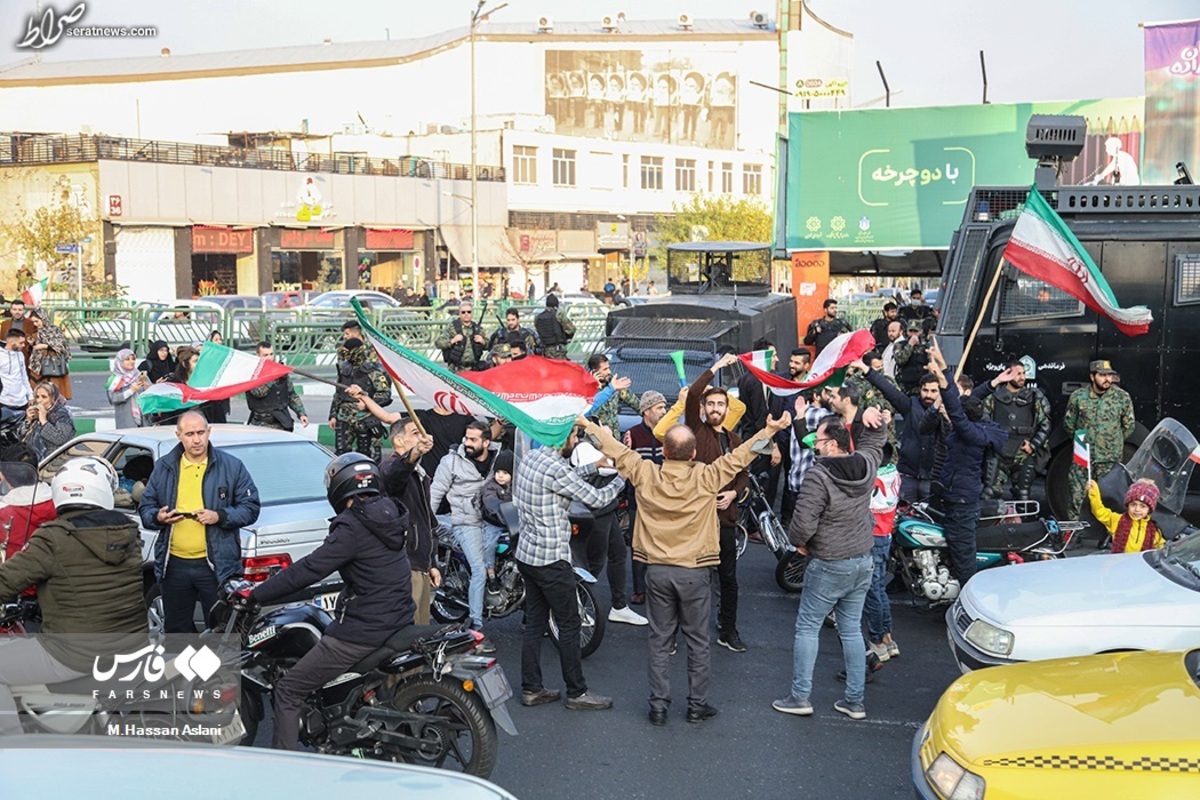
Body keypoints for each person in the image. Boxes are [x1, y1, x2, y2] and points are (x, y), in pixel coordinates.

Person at [585, 409, 791, 725]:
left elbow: (617, 450)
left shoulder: (646, 472)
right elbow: (739, 457)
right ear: (693, 453)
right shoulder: (707, 476)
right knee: (697, 640)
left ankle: (658, 707)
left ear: (664, 451)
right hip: (695, 572)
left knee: (659, 640)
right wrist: (768, 431)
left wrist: (588, 425)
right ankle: (697, 705)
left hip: (657, 571)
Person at [247, 453, 414, 751]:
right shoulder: (389, 512)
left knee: (288, 689)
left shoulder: (353, 525)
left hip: (364, 630)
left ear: (338, 487)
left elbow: (310, 569)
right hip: (398, 618)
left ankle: (279, 770)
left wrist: (257, 593)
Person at [0, 456, 147, 736]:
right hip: (130, 644)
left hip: (77, 653)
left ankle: (12, 745)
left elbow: (6, 581)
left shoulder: (54, 538)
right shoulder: (129, 533)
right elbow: (89, 584)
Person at [773, 406, 888, 722]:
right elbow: (877, 440)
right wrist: (871, 417)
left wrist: (800, 544)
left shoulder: (818, 475)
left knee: (808, 627)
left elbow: (802, 523)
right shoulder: (866, 464)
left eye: (819, 440)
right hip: (862, 560)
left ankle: (800, 696)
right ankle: (855, 702)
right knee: (851, 628)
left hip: (829, 561)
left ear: (834, 443)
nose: (814, 444)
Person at [513, 423, 626, 711]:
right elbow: (597, 499)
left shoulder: (533, 458)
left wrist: (593, 466)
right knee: (569, 623)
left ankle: (531, 688)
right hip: (552, 559)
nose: (575, 442)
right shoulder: (556, 467)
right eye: (575, 437)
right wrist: (621, 478)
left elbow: (563, 479)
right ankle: (577, 692)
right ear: (563, 438)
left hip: (527, 554)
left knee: (536, 624)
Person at [138, 410, 261, 633]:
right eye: (190, 434)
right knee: (177, 631)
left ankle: (219, 670)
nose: (196, 439)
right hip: (174, 565)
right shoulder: (165, 467)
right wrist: (159, 517)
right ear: (179, 436)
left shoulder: (231, 466)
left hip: (216, 567)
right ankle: (183, 669)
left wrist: (219, 516)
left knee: (221, 632)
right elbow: (145, 508)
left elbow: (251, 508)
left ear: (209, 432)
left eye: (201, 433)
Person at [685, 352, 750, 653]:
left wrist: (734, 493)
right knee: (692, 580)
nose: (714, 408)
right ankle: (682, 634)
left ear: (727, 409)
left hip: (725, 520)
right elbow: (695, 392)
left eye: (720, 404)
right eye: (710, 404)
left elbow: (743, 474)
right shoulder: (696, 431)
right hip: (698, 520)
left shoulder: (734, 440)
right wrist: (717, 368)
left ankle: (728, 630)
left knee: (729, 580)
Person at [926, 359, 1007, 585]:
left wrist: (944, 378)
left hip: (961, 501)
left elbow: (956, 409)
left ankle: (967, 601)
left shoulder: (970, 433)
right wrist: (943, 373)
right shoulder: (977, 427)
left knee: (963, 558)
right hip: (954, 496)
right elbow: (967, 403)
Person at [428, 421, 502, 650]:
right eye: (466, 438)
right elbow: (435, 493)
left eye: (473, 439)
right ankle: (477, 628)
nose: (467, 443)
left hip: (494, 518)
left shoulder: (498, 458)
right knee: (479, 569)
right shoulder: (451, 462)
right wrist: (426, 524)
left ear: (486, 442)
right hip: (465, 521)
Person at [1063, 359, 1135, 520]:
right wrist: (1083, 441)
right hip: (1083, 457)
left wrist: (1111, 442)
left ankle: (1108, 535)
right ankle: (1074, 533)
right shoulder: (1078, 397)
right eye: (1102, 375)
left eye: (1110, 375)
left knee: (1109, 497)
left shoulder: (1122, 397)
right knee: (1076, 495)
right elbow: (1069, 424)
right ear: (1092, 376)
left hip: (1109, 458)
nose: (1107, 379)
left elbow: (1128, 426)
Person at [982, 360, 1051, 500]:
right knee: (988, 494)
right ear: (1007, 374)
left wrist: (1033, 445)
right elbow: (984, 422)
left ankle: (1022, 522)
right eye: (1018, 373)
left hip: (1022, 453)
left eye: (1024, 373)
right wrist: (993, 442)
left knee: (1023, 496)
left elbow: (1045, 423)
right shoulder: (993, 397)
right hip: (998, 454)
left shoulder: (1034, 397)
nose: (1022, 377)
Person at [622, 390, 667, 606]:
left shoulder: (669, 432)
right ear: (647, 411)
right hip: (638, 499)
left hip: (663, 498)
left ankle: (659, 587)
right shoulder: (632, 434)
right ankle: (639, 589)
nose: (664, 411)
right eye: (659, 407)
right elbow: (626, 466)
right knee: (638, 544)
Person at [329, 338, 392, 459]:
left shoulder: (372, 370)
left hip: (364, 418)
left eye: (347, 351)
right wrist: (333, 415)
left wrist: (367, 404)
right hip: (344, 417)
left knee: (363, 454)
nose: (344, 354)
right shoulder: (344, 368)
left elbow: (385, 394)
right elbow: (338, 394)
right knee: (341, 453)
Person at [0, 443, 56, 563]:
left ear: (2, 476)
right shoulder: (59, 505)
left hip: (12, 578)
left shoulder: (3, 513)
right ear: (37, 470)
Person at [1088, 478, 1164, 554]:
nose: (1137, 509)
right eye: (1133, 504)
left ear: (1149, 509)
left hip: (1139, 565)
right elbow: (1099, 511)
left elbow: (1162, 547)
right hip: (1118, 562)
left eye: (1143, 506)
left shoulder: (1154, 531)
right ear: (1128, 505)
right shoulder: (1117, 520)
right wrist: (1094, 493)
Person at [245, 341, 309, 431]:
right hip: (261, 424)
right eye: (265, 355)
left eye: (271, 354)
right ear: (258, 355)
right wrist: (273, 376)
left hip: (281, 422)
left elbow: (291, 395)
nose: (269, 358)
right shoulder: (253, 373)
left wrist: (301, 413)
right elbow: (258, 392)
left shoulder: (280, 372)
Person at [587, 354, 640, 438]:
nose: (609, 372)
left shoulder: (614, 384)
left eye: (608, 368)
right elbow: (587, 414)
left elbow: (637, 405)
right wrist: (595, 388)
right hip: (596, 439)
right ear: (595, 372)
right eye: (605, 369)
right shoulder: (586, 390)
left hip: (614, 439)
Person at [18, 382, 74, 460]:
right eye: (37, 397)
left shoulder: (61, 414)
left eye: (44, 397)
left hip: (52, 461)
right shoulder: (36, 412)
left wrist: (44, 421)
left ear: (53, 398)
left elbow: (60, 439)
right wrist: (28, 420)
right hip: (32, 458)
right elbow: (20, 437)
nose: (39, 400)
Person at [27, 308, 71, 401]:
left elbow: (62, 347)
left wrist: (46, 346)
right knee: (38, 395)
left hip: (53, 366)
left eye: (37, 321)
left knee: (53, 395)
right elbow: (34, 349)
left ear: (43, 319)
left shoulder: (54, 330)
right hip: (38, 368)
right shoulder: (35, 332)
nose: (35, 324)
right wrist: (32, 344)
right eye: (33, 322)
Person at [435, 302, 488, 373]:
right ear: (459, 313)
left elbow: (489, 345)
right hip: (456, 369)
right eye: (463, 312)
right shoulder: (452, 327)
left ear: (472, 313)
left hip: (474, 369)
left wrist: (482, 341)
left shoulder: (477, 329)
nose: (466, 314)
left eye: (469, 312)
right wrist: (453, 340)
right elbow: (438, 343)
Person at [106, 348, 150, 429]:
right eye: (127, 359)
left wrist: (148, 388)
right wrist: (131, 391)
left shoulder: (139, 375)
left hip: (144, 420)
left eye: (133, 359)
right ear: (120, 361)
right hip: (126, 421)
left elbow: (150, 397)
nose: (131, 362)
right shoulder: (115, 379)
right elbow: (113, 399)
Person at [0, 328, 33, 417]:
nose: (23, 345)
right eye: (21, 343)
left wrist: (30, 396)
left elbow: (24, 377)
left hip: (22, 401)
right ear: (11, 342)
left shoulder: (20, 355)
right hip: (4, 402)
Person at [535, 295, 575, 360]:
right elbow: (571, 330)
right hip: (558, 351)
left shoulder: (538, 317)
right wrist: (566, 337)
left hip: (544, 351)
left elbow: (538, 331)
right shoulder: (558, 315)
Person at [0, 299, 35, 367]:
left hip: (25, 358)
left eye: (20, 310)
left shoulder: (31, 324)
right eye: (15, 309)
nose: (17, 312)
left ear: (24, 311)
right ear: (11, 310)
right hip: (8, 359)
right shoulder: (4, 324)